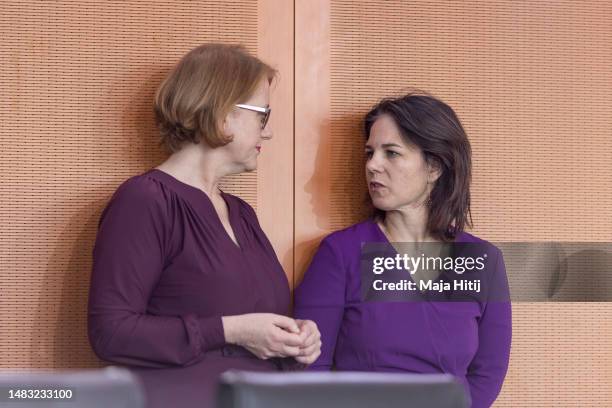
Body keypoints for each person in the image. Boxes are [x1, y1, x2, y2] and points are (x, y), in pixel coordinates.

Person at [88, 44, 321, 408]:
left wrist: (295, 343)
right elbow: (111, 333)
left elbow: (257, 330)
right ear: (224, 113)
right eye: (263, 115)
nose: (269, 132)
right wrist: (233, 330)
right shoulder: (145, 201)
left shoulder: (242, 213)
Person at [294, 92, 511, 408]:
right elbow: (309, 371)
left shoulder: (483, 261)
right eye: (370, 153)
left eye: (391, 153)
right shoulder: (340, 254)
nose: (372, 165)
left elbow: (488, 373)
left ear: (434, 166)